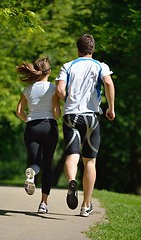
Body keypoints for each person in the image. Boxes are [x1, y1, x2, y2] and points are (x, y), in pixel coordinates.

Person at [55, 33, 115, 217]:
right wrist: (111, 108)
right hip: (92, 117)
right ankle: (86, 205)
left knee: (72, 155)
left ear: (78, 49)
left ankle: (72, 180)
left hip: (71, 116)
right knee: (90, 161)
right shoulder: (100, 66)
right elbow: (108, 83)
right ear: (93, 49)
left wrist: (69, 100)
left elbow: (59, 89)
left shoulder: (68, 65)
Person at [16, 57, 60, 214]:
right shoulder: (53, 88)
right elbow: (56, 113)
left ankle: (31, 173)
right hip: (49, 126)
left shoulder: (27, 89)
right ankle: (43, 204)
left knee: (35, 162)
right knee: (47, 165)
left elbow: (19, 111)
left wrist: (28, 119)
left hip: (32, 127)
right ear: (49, 72)